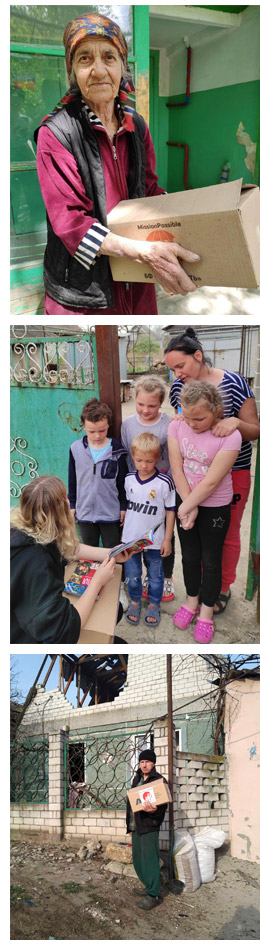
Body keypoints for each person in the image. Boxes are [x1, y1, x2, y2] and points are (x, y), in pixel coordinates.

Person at [34, 12, 200, 316]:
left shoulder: (136, 125)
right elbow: (70, 222)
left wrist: (184, 224)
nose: (98, 70)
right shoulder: (56, 134)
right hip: (84, 293)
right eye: (85, 58)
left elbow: (149, 189)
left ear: (122, 67)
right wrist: (145, 252)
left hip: (137, 282)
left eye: (108, 57)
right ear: (72, 71)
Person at [165, 326, 260, 616]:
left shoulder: (234, 383)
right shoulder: (178, 389)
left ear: (198, 355)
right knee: (196, 539)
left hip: (232, 471)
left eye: (180, 365)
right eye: (171, 369)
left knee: (227, 533)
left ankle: (222, 586)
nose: (177, 373)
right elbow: (184, 431)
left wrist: (235, 424)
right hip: (193, 474)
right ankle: (202, 588)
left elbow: (254, 429)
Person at [10, 475, 130, 645]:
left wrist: (111, 553)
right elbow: (63, 631)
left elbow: (66, 548)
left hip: (28, 617)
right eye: (65, 499)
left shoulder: (24, 527)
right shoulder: (36, 561)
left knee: (115, 610)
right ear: (60, 512)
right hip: (23, 637)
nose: (69, 503)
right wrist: (97, 582)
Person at [168, 381, 242, 643]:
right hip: (186, 501)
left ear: (216, 410)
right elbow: (177, 468)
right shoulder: (177, 425)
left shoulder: (230, 435)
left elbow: (212, 480)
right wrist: (188, 504)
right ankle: (191, 602)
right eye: (187, 417)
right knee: (189, 556)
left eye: (199, 418)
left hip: (214, 507)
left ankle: (207, 612)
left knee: (211, 561)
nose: (192, 424)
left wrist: (187, 507)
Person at [68, 397, 128, 609]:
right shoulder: (75, 449)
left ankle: (119, 589)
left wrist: (123, 506)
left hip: (110, 512)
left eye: (102, 430)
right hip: (84, 513)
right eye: (92, 431)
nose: (97, 435)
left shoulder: (117, 449)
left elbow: (123, 482)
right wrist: (72, 503)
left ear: (108, 425)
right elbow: (72, 480)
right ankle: (88, 588)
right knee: (89, 552)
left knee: (114, 552)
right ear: (83, 426)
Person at [121, 375, 175, 601]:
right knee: (138, 530)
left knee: (163, 534)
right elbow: (126, 454)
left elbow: (175, 457)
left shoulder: (170, 424)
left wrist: (170, 482)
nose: (145, 410)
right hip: (138, 489)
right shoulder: (128, 424)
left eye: (151, 405)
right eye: (140, 404)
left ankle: (166, 578)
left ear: (161, 402)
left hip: (163, 488)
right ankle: (133, 578)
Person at [121, 433, 176, 627]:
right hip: (131, 540)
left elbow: (171, 511)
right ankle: (135, 600)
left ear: (157, 457)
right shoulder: (128, 479)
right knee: (133, 575)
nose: (144, 465)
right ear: (133, 456)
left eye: (149, 461)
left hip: (155, 541)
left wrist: (167, 539)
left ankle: (154, 604)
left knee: (155, 576)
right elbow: (125, 506)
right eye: (139, 460)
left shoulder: (164, 482)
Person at [126, 749, 169, 910]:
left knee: (150, 860)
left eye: (147, 762)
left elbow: (163, 806)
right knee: (138, 860)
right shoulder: (137, 778)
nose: (144, 765)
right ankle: (148, 886)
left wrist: (154, 811)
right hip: (135, 825)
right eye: (142, 762)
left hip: (149, 825)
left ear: (153, 763)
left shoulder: (159, 781)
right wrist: (129, 826)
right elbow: (131, 803)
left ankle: (154, 894)